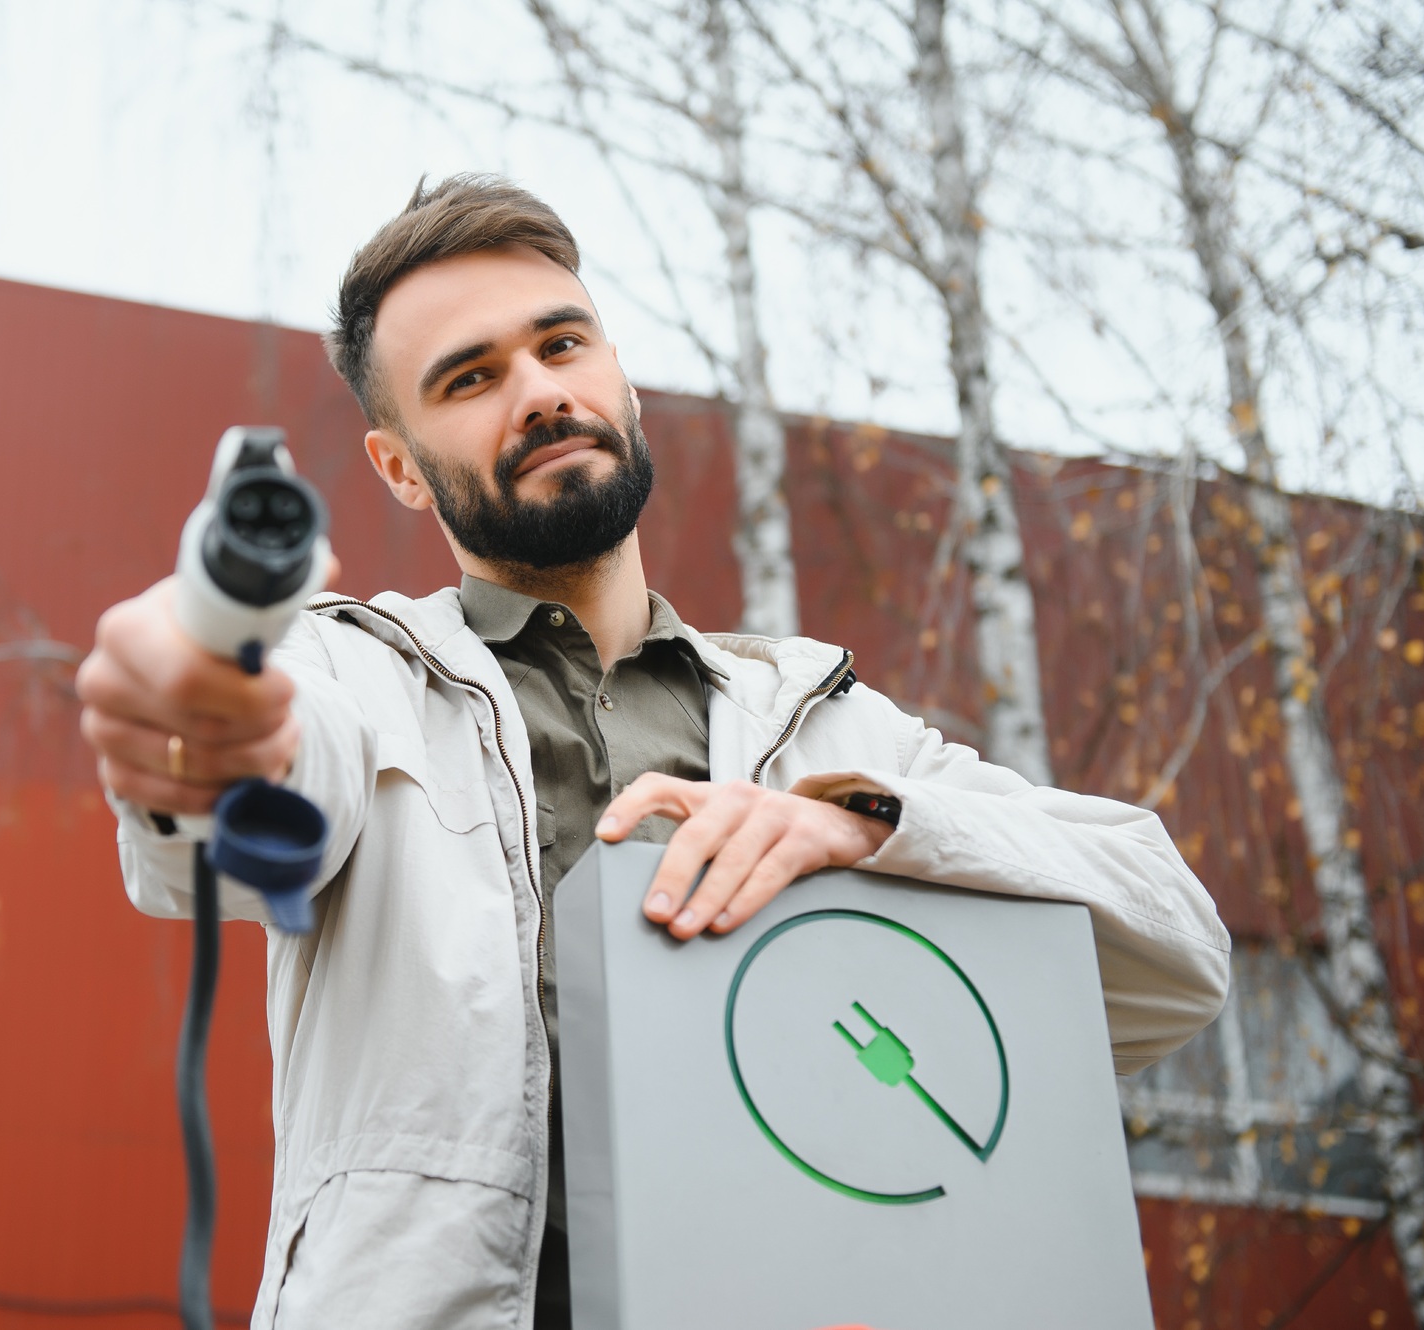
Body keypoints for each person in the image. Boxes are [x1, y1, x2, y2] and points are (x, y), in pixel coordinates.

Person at [75, 175, 1230, 1330]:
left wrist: (857, 821)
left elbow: (1175, 946)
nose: (537, 393)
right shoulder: (353, 675)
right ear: (397, 467)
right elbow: (244, 785)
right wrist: (207, 711)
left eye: (561, 345)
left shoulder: (827, 722)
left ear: (617, 379)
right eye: (469, 378)